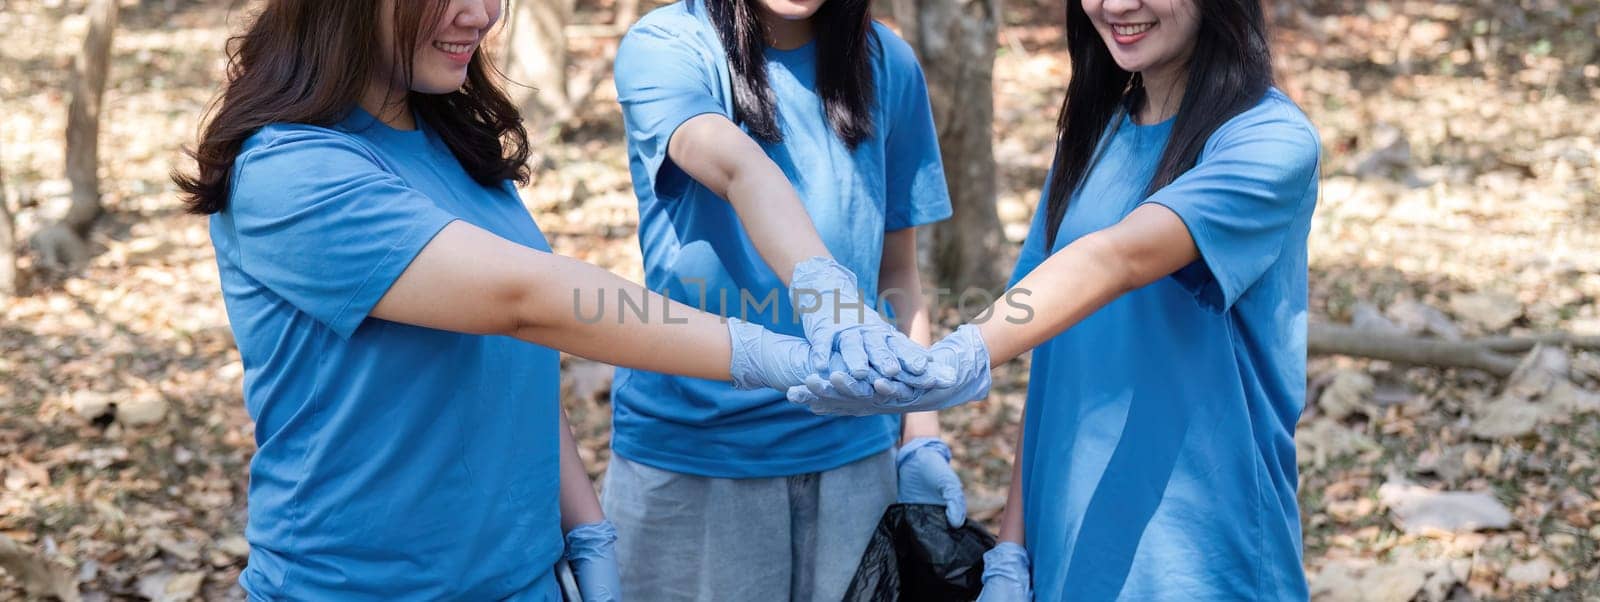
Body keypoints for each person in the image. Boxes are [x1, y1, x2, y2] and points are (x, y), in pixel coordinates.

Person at [173, 0, 837, 599]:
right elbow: (528, 299)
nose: (483, 14)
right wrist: (776, 356)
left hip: (525, 578)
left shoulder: (447, 136)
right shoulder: (290, 169)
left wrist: (585, 529)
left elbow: (514, 352)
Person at [793, 0, 1323, 599]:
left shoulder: (1269, 141)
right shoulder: (1095, 135)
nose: (1117, 5)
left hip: (1199, 564)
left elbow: (1117, 258)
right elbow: (1055, 354)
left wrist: (957, 357)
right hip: (1068, 552)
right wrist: (1013, 550)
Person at [602, 0, 964, 599]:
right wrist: (823, 288)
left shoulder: (888, 64)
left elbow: (899, 270)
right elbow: (737, 165)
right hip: (696, 457)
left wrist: (919, 433)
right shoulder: (669, 43)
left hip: (855, 457)